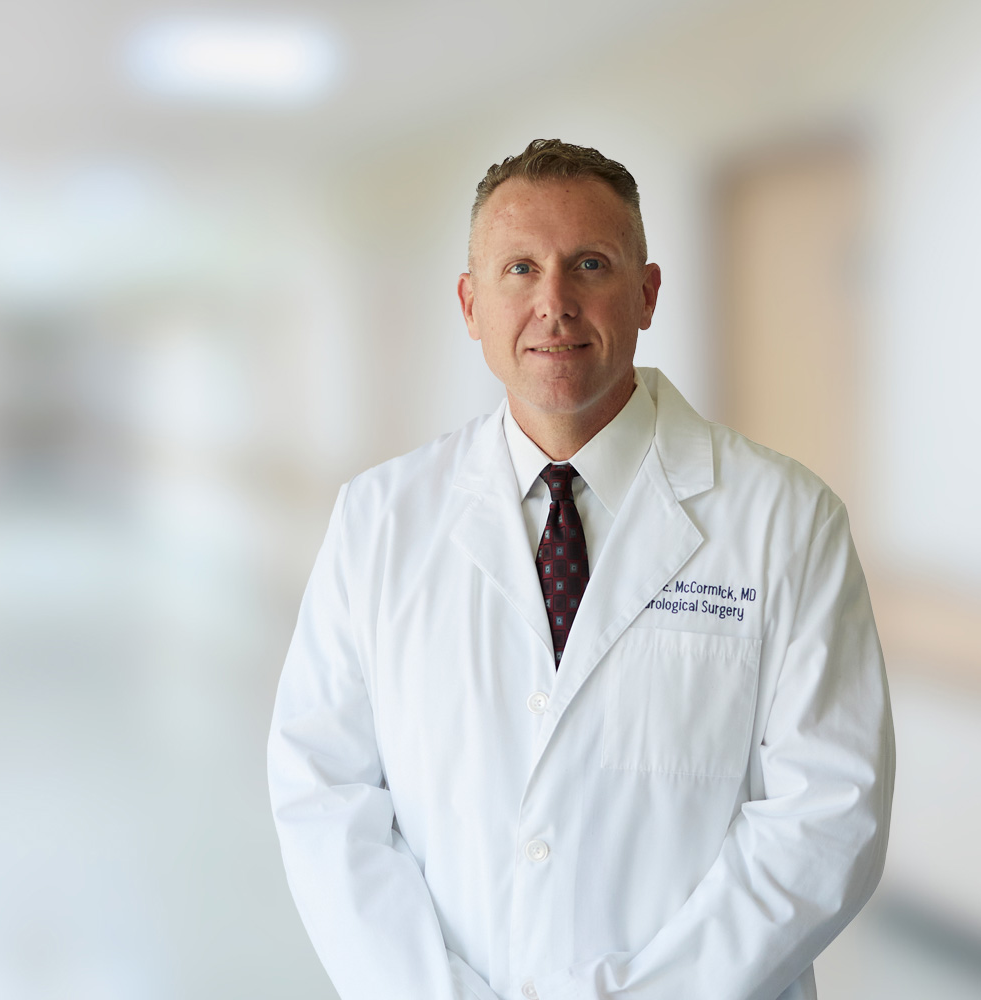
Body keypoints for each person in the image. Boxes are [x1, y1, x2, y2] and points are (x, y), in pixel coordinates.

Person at [266, 139, 893, 1000]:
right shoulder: (378, 521)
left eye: (589, 264)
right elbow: (323, 793)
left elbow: (828, 816)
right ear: (470, 302)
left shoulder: (785, 520)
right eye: (519, 268)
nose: (553, 302)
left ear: (647, 293)